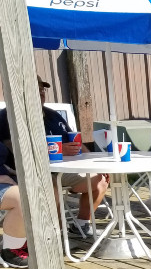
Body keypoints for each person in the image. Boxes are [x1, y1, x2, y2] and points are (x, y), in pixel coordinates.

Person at [0, 76, 109, 243]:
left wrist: (91, 161)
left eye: (42, 90)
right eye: (36, 90)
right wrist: (55, 150)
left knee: (99, 180)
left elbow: (76, 142)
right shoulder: (8, 118)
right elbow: (15, 150)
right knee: (50, 187)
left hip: (64, 169)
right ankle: (54, 237)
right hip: (32, 171)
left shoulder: (53, 115)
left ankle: (80, 226)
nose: (41, 94)